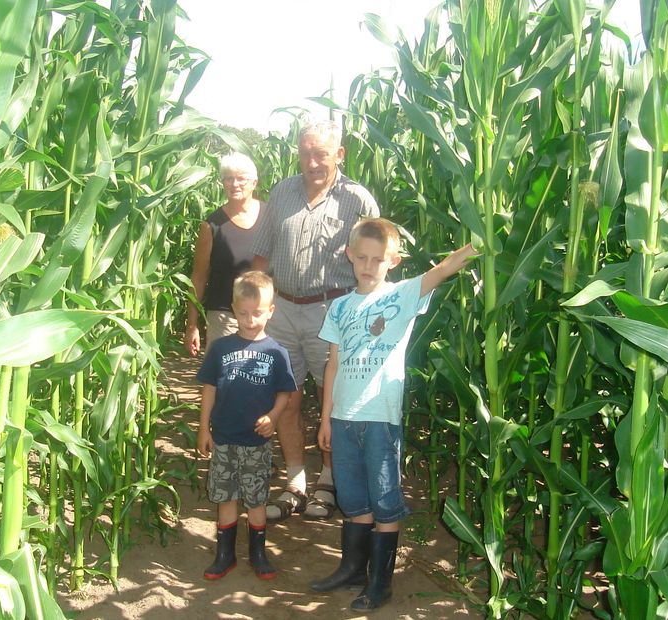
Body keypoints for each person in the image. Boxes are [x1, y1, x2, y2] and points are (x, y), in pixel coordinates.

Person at [313, 218, 478, 610]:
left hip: (380, 419)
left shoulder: (402, 295)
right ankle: (352, 568)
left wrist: (477, 243)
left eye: (378, 259)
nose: (368, 266)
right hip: (343, 418)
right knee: (353, 500)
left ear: (394, 261)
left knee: (384, 501)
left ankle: (379, 584)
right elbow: (332, 365)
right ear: (349, 256)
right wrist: (325, 418)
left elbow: (442, 269)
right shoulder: (339, 307)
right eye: (361, 258)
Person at [250, 119, 379, 522]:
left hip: (334, 311)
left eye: (320, 153)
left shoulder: (357, 200)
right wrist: (256, 301)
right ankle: (295, 481)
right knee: (286, 398)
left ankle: (328, 480)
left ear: (338, 154)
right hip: (284, 310)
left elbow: (379, 258)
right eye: (305, 153)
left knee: (332, 399)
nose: (311, 162)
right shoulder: (282, 191)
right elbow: (262, 254)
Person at [196, 271, 297, 580]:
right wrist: (204, 429)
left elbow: (285, 392)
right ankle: (224, 555)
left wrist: (274, 416)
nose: (249, 319)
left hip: (256, 441)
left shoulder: (276, 352)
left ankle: (258, 553)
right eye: (242, 313)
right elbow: (210, 389)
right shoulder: (220, 348)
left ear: (270, 311)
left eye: (257, 313)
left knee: (256, 499)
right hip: (224, 438)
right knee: (225, 497)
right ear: (233, 308)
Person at [184, 153, 263, 356]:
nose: (234, 184)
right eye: (228, 178)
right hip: (224, 316)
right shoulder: (211, 225)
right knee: (223, 380)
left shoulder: (270, 217)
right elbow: (198, 277)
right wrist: (192, 325)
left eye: (241, 178)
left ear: (254, 182)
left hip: (263, 316)